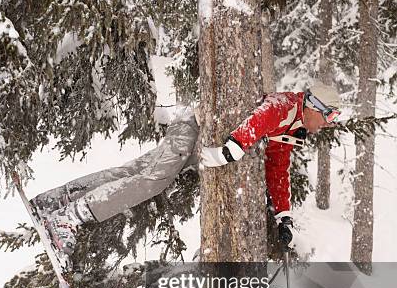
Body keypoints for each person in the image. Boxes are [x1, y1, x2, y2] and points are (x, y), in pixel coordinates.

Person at [31, 82, 341, 256]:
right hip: (193, 127)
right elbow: (258, 120)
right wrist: (228, 152)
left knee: (133, 173)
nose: (327, 124)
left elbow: (277, 168)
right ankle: (70, 218)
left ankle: (57, 201)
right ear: (315, 106)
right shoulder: (286, 105)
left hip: (196, 134)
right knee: (152, 181)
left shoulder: (294, 125)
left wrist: (283, 216)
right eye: (329, 117)